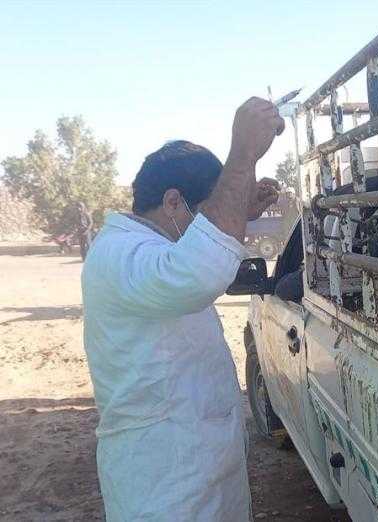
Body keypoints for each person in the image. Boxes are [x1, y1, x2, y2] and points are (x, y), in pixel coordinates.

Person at [81, 97, 284, 521]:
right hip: (165, 483)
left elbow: (199, 258)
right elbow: (197, 274)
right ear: (174, 202)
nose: (210, 222)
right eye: (205, 209)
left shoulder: (157, 248)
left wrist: (238, 208)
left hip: (197, 468)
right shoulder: (120, 253)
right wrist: (243, 154)